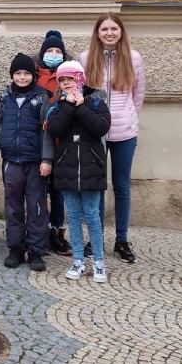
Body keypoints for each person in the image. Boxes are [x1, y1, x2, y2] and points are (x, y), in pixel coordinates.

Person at [79, 13, 145, 265]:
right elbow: (82, 93)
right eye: (104, 29)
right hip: (95, 131)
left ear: (121, 32)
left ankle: (121, 239)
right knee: (96, 186)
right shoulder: (86, 58)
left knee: (121, 185)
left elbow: (138, 94)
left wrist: (130, 118)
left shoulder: (134, 58)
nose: (109, 33)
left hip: (124, 131)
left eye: (114, 28)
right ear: (97, 33)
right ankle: (94, 238)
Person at [42, 61, 112, 283]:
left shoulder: (95, 102)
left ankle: (98, 262)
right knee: (72, 215)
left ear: (80, 79)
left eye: (69, 79)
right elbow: (54, 128)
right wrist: (69, 106)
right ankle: (78, 260)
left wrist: (81, 107)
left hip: (92, 167)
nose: (65, 83)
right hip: (67, 167)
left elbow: (101, 127)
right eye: (61, 80)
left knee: (92, 215)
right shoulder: (58, 105)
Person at [0, 53, 53, 272]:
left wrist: (47, 158)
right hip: (12, 160)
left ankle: (36, 250)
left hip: (35, 161)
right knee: (13, 207)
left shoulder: (41, 97)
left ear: (33, 75)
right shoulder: (6, 96)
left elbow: (47, 131)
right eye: (18, 73)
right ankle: (16, 248)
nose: (22, 77)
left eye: (26, 73)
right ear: (12, 75)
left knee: (37, 206)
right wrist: (0, 139)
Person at [33, 30, 73, 257]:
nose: (54, 54)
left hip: (62, 142)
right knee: (39, 190)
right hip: (38, 141)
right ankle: (41, 232)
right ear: (42, 54)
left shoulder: (68, 76)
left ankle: (57, 231)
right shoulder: (34, 75)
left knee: (58, 192)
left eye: (58, 51)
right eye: (50, 50)